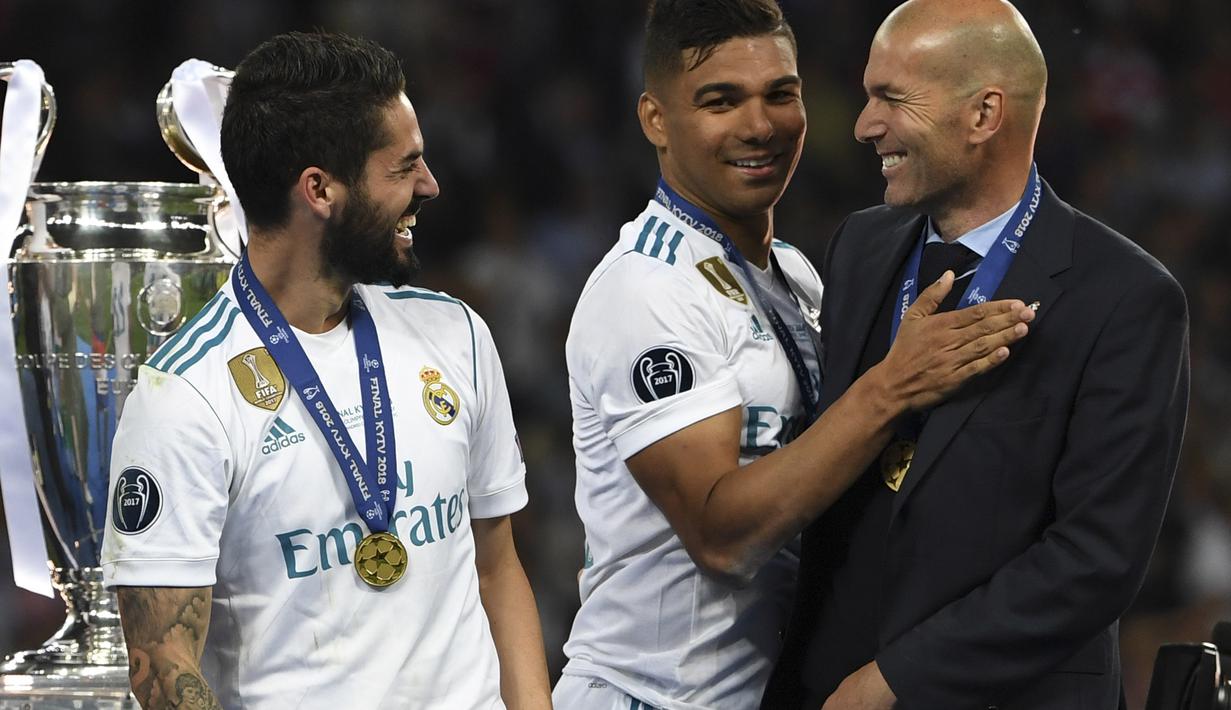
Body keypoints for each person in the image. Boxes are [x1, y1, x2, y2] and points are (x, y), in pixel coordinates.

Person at [554, 1, 1036, 708]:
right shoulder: (646, 290)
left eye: (780, 94)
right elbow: (723, 536)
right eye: (720, 101)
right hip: (653, 695)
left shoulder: (794, 272)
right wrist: (891, 387)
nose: (759, 125)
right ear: (655, 119)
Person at [100, 32, 551, 709]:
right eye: (404, 168)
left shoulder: (454, 333)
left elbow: (498, 568)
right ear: (320, 189)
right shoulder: (186, 395)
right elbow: (161, 665)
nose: (429, 186)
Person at [762, 1, 1190, 708]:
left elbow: (1094, 559)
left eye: (890, 98)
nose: (864, 125)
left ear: (983, 115)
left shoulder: (1125, 298)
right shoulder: (860, 248)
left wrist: (896, 679)